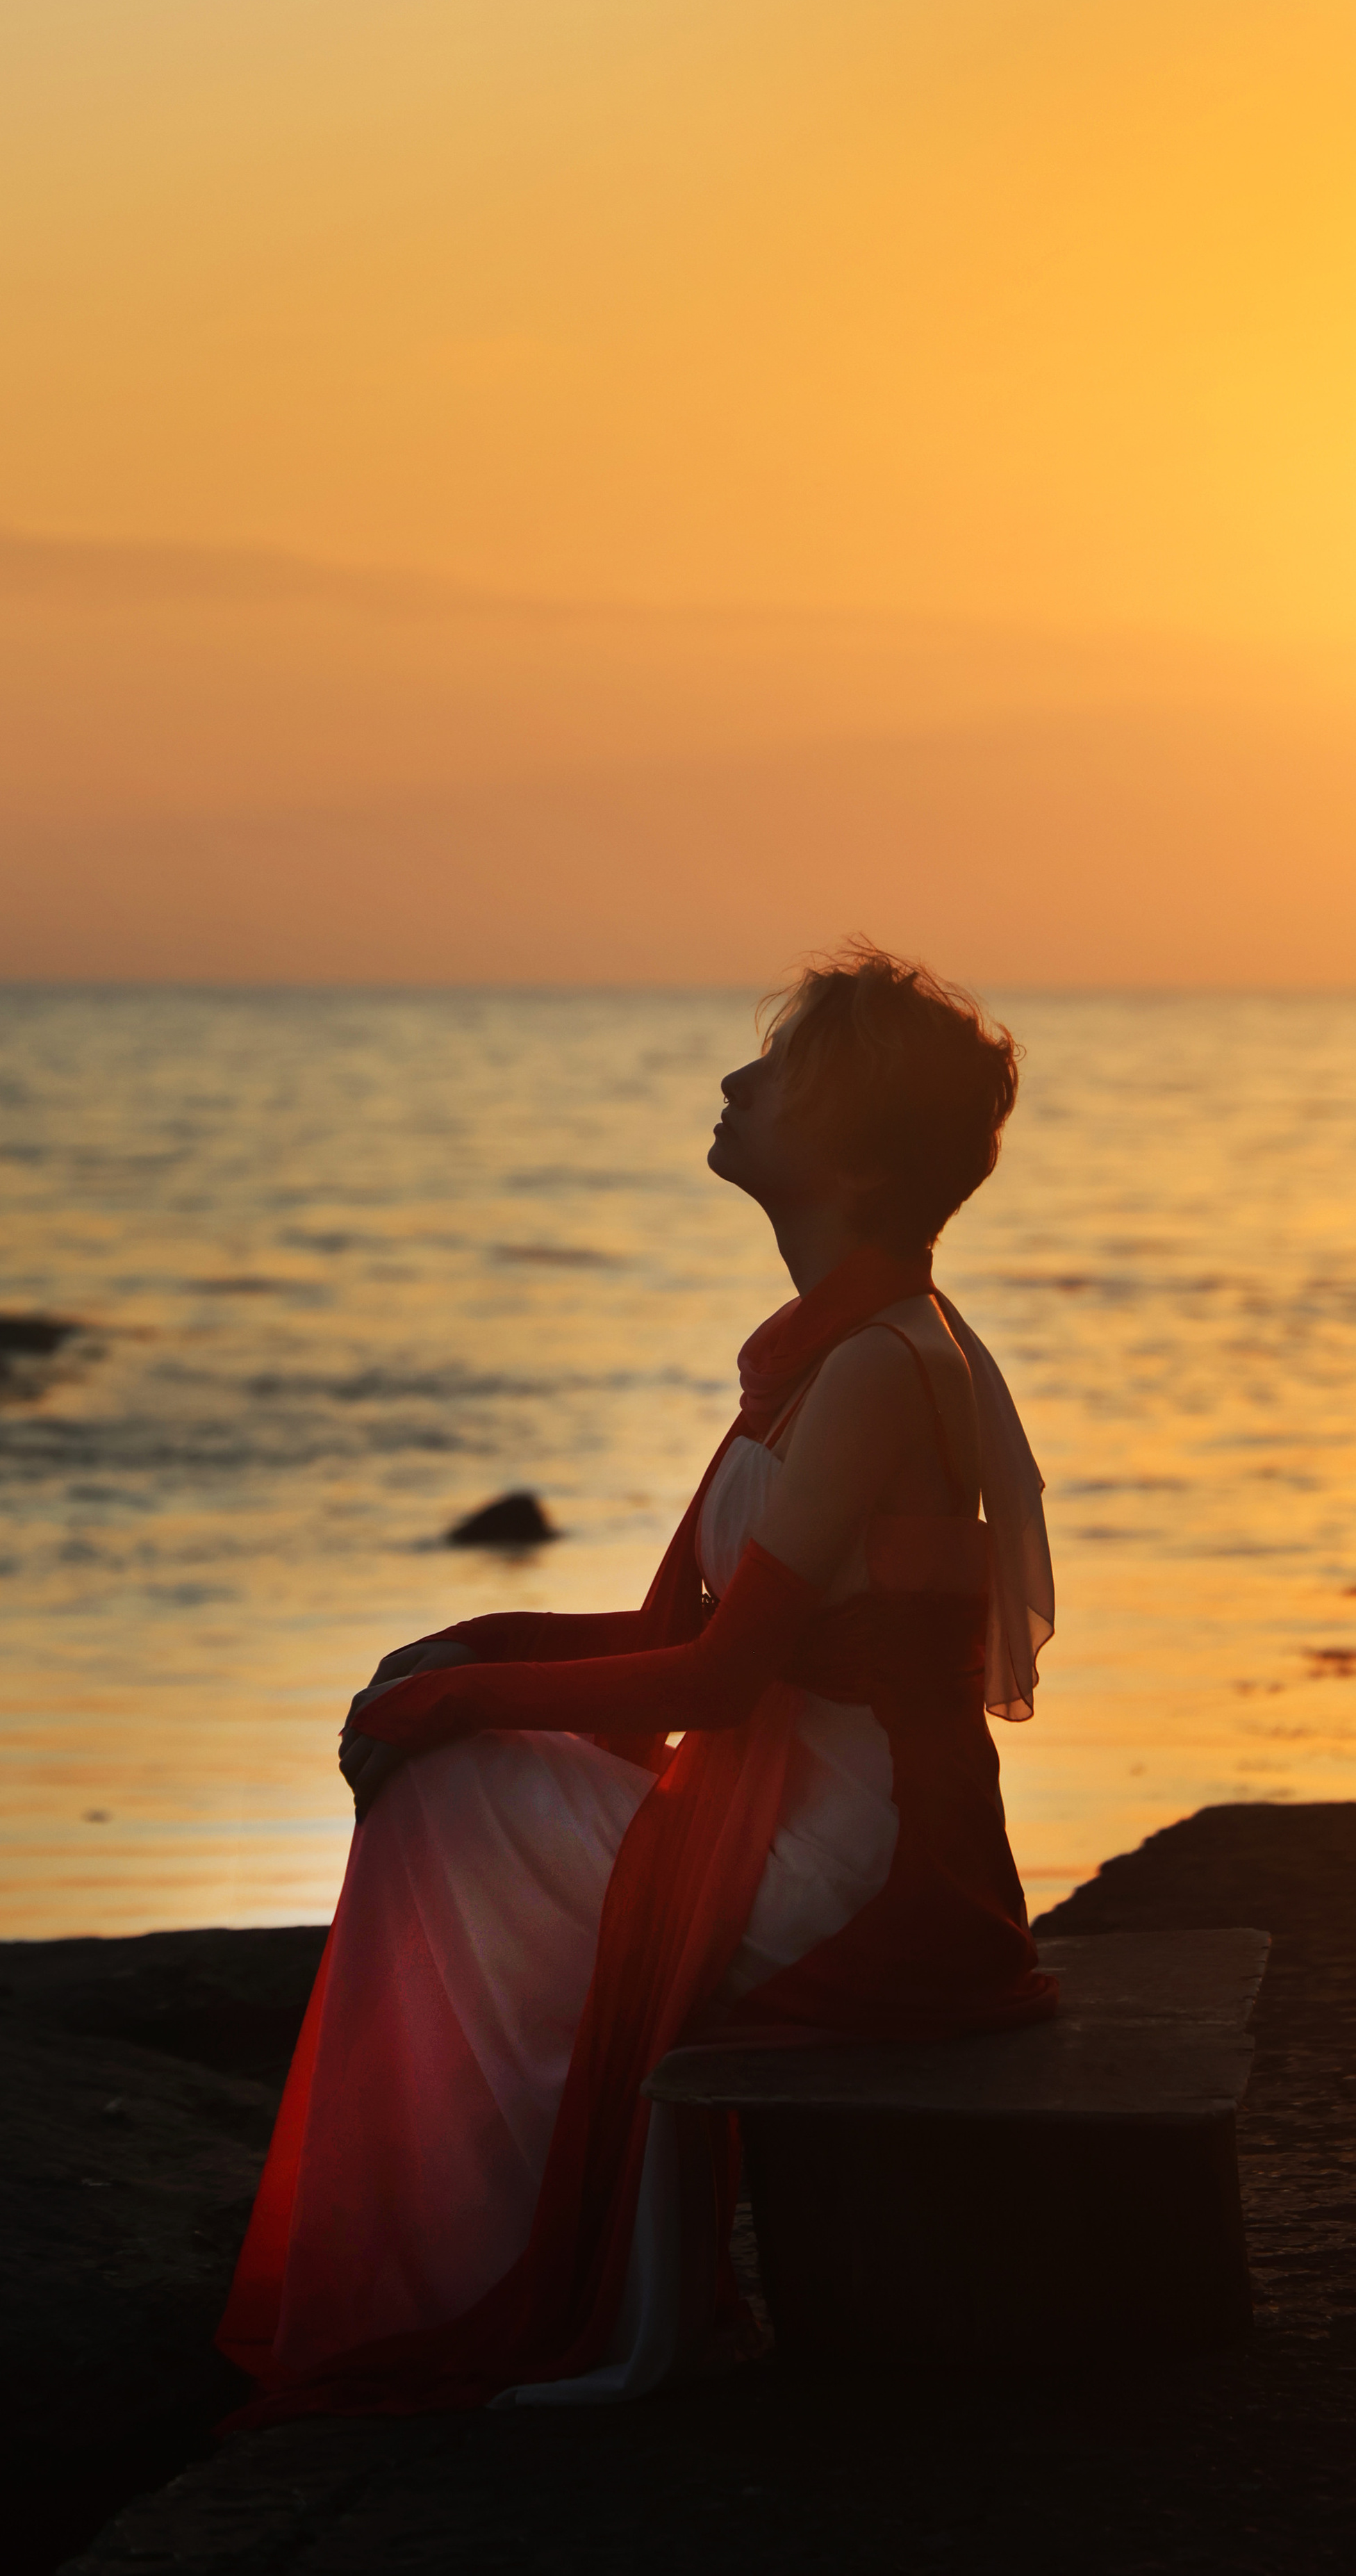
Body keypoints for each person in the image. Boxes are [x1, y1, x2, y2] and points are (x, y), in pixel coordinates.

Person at [217, 946, 1055, 2424]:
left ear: (852, 1156)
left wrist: (449, 1713)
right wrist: (464, 1649)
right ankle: (478, 2234)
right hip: (823, 1817)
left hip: (864, 1869)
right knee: (459, 1754)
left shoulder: (873, 1366)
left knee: (456, 1788)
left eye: (777, 1077)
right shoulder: (834, 1353)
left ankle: (469, 2259)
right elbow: (673, 1619)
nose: (733, 1086)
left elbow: (716, 1682)